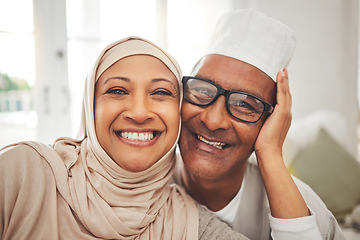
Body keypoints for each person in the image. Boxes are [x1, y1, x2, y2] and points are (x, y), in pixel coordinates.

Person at [0, 37, 249, 239]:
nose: (139, 113)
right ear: (90, 107)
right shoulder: (22, 173)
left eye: (161, 92)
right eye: (117, 90)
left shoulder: (195, 228)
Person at [173, 9, 346, 240]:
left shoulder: (303, 210)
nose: (213, 120)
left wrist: (271, 152)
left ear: (271, 120)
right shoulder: (142, 184)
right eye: (203, 90)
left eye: (245, 105)